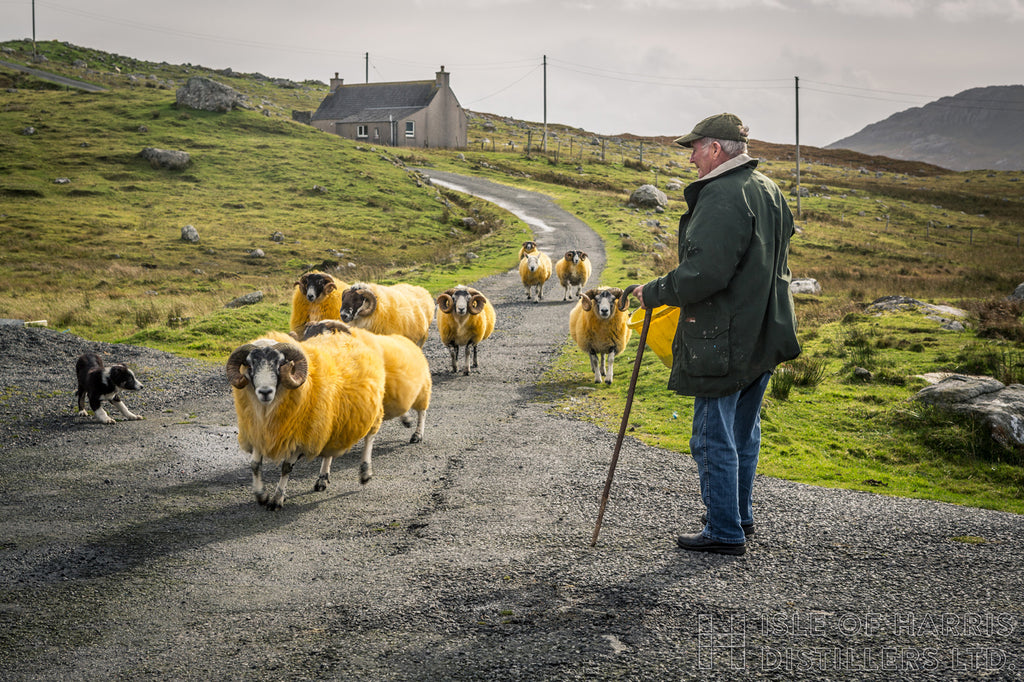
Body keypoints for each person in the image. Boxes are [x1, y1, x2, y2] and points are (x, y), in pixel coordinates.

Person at [633, 113, 800, 556]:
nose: (690, 158)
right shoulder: (767, 188)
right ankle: (739, 516)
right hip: (763, 329)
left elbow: (705, 273)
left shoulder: (723, 195)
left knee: (712, 436)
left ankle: (724, 529)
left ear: (715, 148)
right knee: (744, 431)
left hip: (723, 336)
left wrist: (653, 292)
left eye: (694, 148)